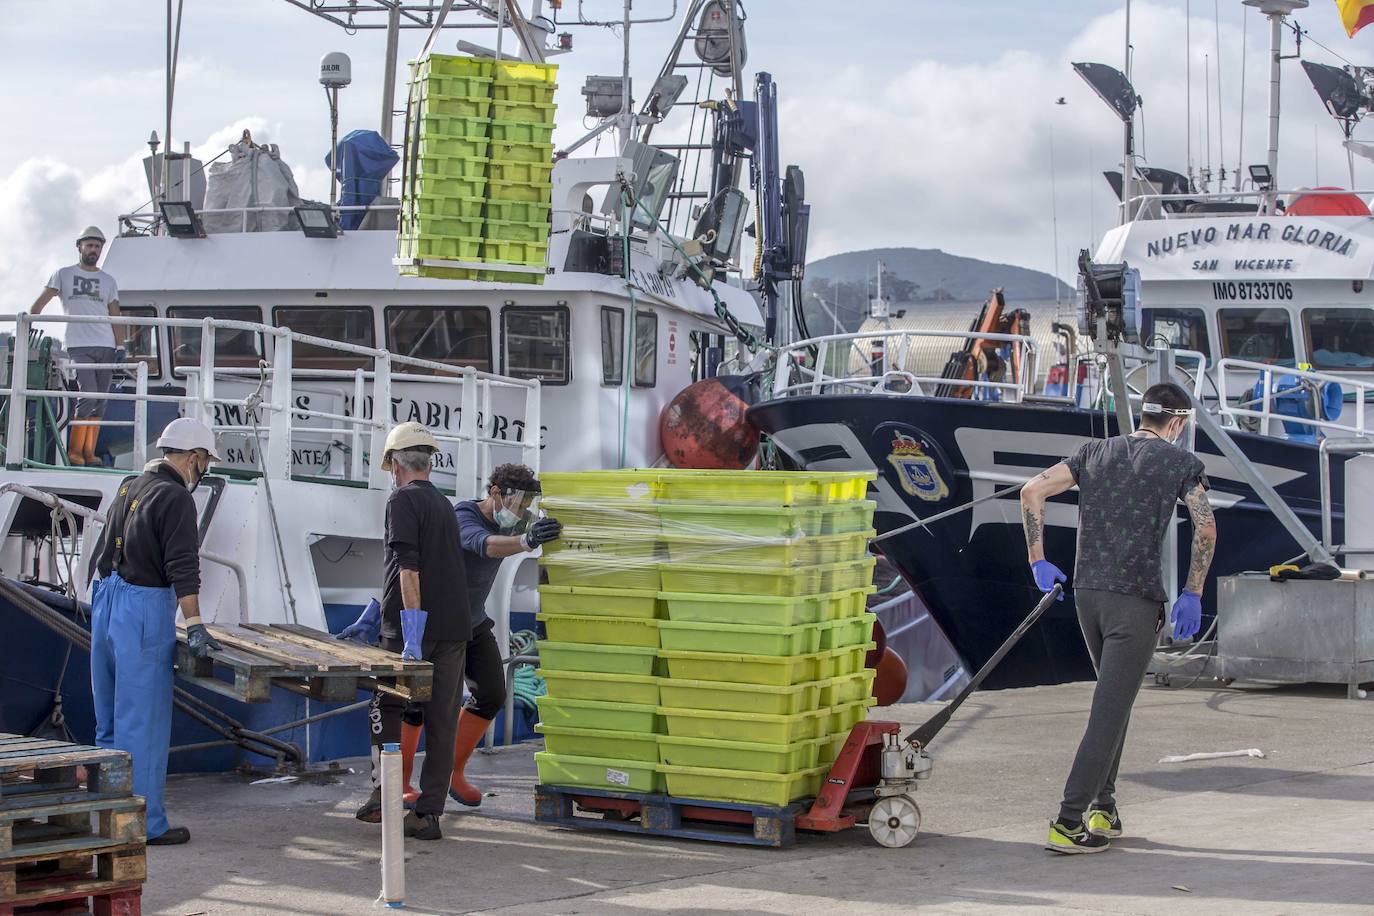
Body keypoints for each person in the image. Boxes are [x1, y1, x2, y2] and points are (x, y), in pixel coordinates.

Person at [1020, 381, 1215, 855]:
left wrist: (1037, 560)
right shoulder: (1182, 464)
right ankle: (1068, 821)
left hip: (1088, 595)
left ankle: (1104, 805)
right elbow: (1205, 525)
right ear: (1178, 422)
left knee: (1116, 697)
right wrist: (1193, 591)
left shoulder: (1094, 451)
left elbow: (1032, 491)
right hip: (1136, 601)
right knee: (1108, 713)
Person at [391, 464, 562, 807]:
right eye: (518, 501)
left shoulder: (519, 521)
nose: (523, 511)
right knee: (416, 704)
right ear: (495, 493)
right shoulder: (463, 516)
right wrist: (526, 541)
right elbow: (485, 546)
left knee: (492, 693)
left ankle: (453, 772)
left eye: (530, 503)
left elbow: (526, 533)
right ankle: (400, 781)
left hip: (472, 623)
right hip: (437, 626)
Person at [90, 416, 225, 846]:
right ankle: (145, 827)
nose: (203, 469)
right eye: (204, 460)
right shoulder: (177, 498)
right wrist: (197, 626)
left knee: (108, 724)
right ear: (191, 457)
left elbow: (101, 552)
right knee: (143, 727)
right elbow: (183, 568)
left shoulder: (130, 485)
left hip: (106, 601)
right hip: (142, 610)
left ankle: (108, 818)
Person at [353, 421, 470, 841]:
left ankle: (384, 791)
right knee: (442, 721)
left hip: (410, 627)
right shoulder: (443, 502)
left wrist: (411, 631)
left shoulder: (400, 500)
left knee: (385, 707)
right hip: (456, 626)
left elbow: (408, 569)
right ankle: (428, 813)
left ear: (395, 465)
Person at [30, 226, 132, 466]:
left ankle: (89, 452)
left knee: (101, 400)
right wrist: (29, 321)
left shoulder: (108, 281)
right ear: (80, 247)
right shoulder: (63, 274)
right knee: (87, 394)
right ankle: (75, 451)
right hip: (79, 344)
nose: (93, 250)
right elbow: (39, 304)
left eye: (97, 246)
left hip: (105, 344)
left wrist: (120, 346)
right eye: (89, 245)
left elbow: (114, 314)